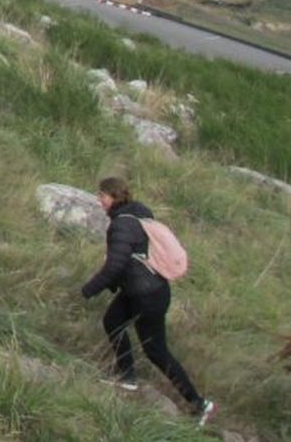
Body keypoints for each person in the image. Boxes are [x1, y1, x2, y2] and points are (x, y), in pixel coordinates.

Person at [81, 177, 214, 427]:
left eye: (102, 196)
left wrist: (89, 289)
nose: (99, 201)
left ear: (113, 197)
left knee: (156, 350)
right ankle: (127, 377)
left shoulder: (121, 225)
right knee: (112, 321)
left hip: (147, 295)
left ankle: (199, 404)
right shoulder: (139, 214)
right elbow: (129, 261)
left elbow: (116, 264)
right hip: (142, 289)